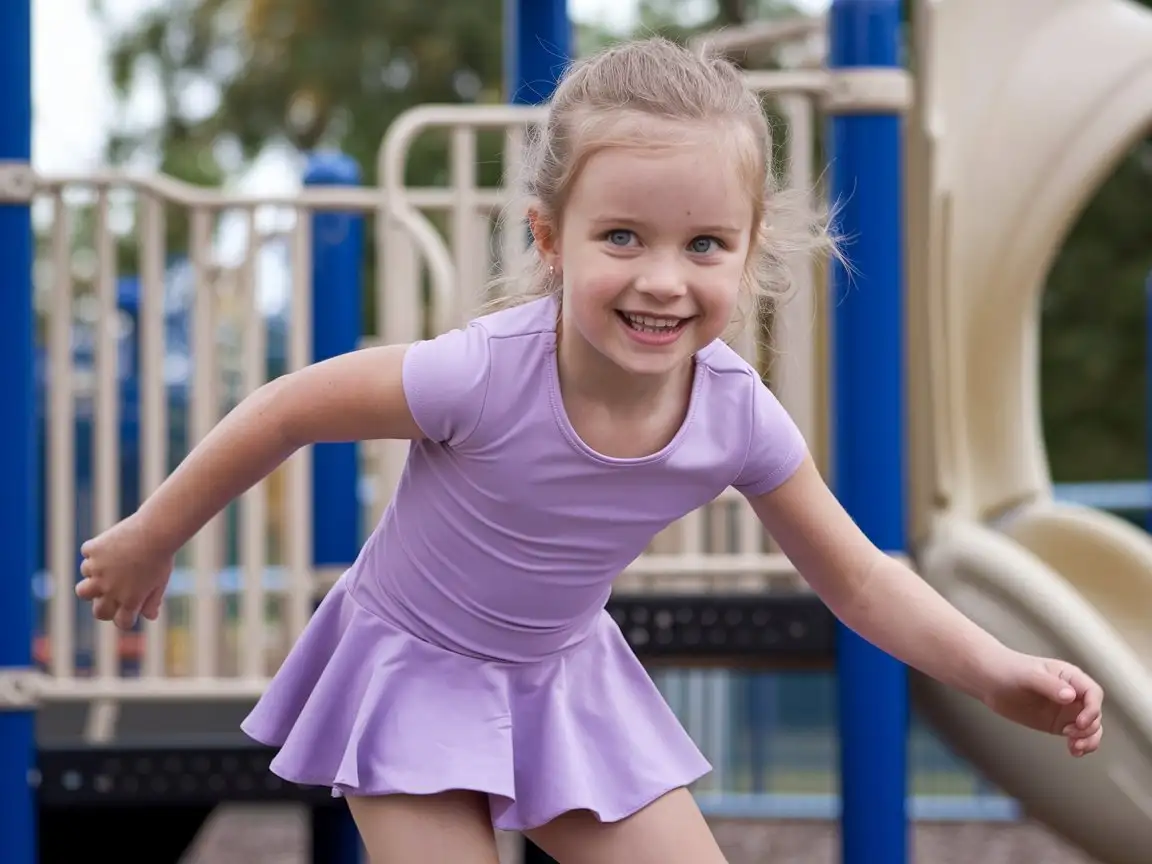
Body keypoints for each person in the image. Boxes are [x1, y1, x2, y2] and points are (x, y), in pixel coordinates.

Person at [76, 36, 1103, 864]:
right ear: (549, 238)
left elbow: (864, 580)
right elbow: (287, 408)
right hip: (413, 670)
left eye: (705, 245)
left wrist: (996, 671)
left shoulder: (737, 416)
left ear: (751, 254)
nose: (663, 278)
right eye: (623, 238)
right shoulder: (480, 374)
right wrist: (150, 537)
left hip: (561, 678)